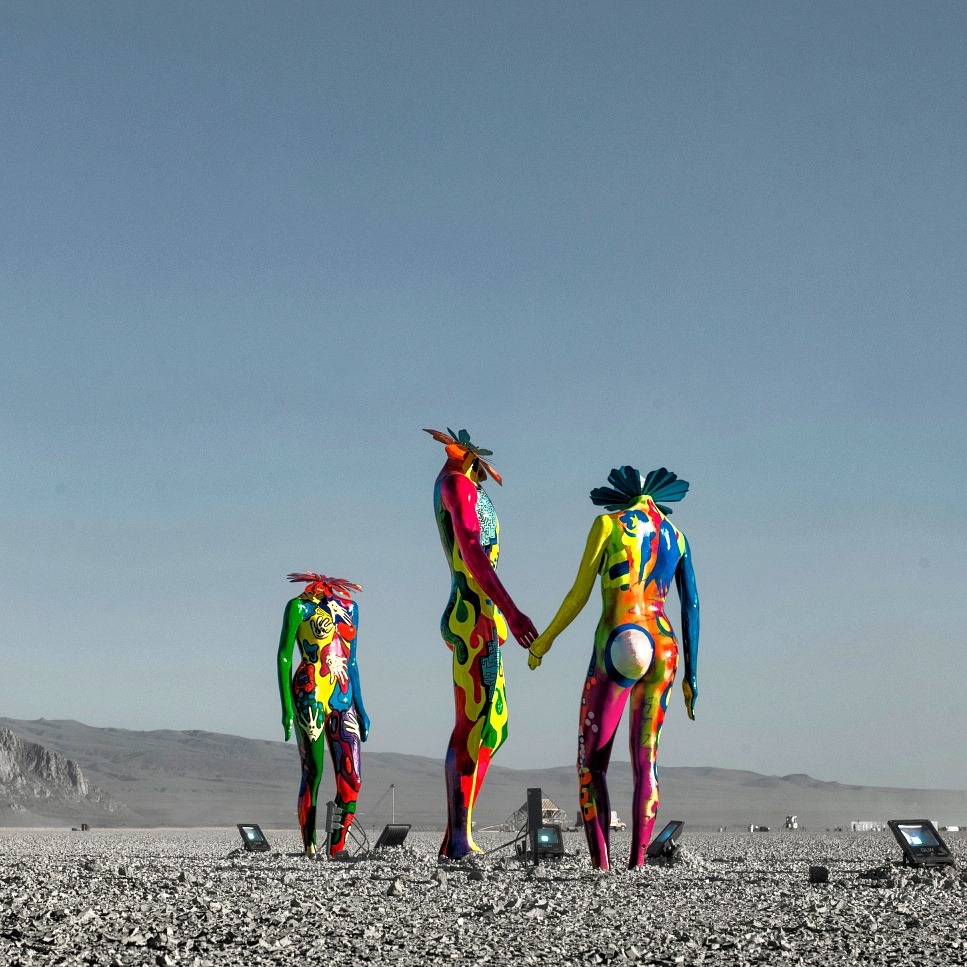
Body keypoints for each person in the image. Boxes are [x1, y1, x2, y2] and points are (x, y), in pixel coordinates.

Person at [528, 466, 699, 869]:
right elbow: (691, 604)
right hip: (664, 645)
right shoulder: (677, 537)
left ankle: (602, 863)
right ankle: (638, 861)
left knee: (592, 762)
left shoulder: (608, 524)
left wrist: (544, 640)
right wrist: (692, 675)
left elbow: (579, 592)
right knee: (646, 759)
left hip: (621, 636)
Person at [424, 427, 538, 859]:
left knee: (494, 724)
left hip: (484, 615)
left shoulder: (465, 487)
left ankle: (459, 833)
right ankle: (458, 839)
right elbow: (471, 549)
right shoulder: (455, 485)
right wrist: (512, 609)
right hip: (472, 614)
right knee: (473, 721)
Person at [277, 571, 370, 858]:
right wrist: (287, 707)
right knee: (313, 770)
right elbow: (284, 656)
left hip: (342, 694)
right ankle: (310, 845)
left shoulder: (350, 609)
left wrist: (361, 707)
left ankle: (337, 847)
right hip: (311, 692)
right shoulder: (299, 607)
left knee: (352, 778)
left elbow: (351, 661)